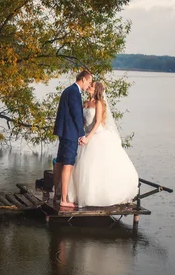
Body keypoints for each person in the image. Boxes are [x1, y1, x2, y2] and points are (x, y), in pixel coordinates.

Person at [67, 82, 139, 207]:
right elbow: (83, 122)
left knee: (96, 167)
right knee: (83, 167)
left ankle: (98, 196)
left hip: (97, 136)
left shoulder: (99, 103)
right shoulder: (85, 103)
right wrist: (81, 134)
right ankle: (82, 194)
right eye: (89, 85)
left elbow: (97, 122)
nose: (89, 86)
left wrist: (88, 137)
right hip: (86, 136)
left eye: (92, 86)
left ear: (96, 90)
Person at [53, 70, 92, 208]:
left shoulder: (68, 90)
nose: (89, 85)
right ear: (83, 79)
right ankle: (64, 199)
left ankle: (56, 194)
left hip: (63, 131)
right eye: (89, 81)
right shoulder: (75, 92)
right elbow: (76, 115)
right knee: (68, 164)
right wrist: (82, 134)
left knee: (59, 161)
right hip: (70, 133)